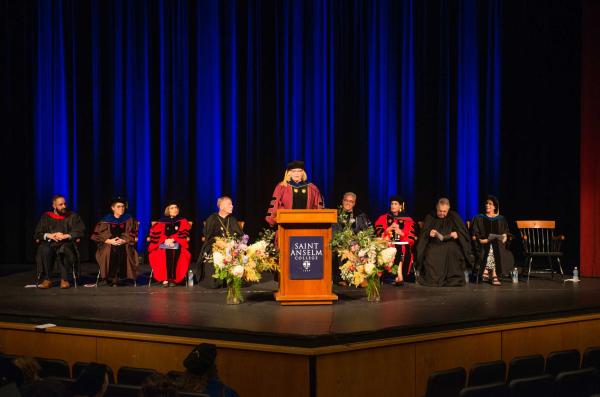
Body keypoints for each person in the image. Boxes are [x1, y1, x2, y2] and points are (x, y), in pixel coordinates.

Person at [416, 198, 474, 287]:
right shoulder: (430, 217)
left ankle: (454, 278)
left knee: (453, 251)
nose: (442, 213)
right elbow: (423, 235)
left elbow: (464, 233)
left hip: (451, 243)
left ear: (448, 210)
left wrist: (457, 234)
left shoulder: (454, 216)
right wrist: (429, 233)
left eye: (444, 211)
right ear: (436, 208)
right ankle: (433, 279)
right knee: (431, 253)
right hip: (434, 243)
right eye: (440, 211)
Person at [34, 195, 85, 289]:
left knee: (64, 249)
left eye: (64, 204)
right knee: (45, 249)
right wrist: (49, 235)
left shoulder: (73, 216)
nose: (64, 206)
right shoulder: (46, 217)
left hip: (66, 243)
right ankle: (48, 279)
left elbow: (80, 231)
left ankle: (64, 280)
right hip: (50, 242)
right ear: (54, 206)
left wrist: (66, 235)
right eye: (60, 204)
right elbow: (37, 233)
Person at [91, 197, 139, 287]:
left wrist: (124, 240)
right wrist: (109, 240)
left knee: (122, 249)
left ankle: (120, 276)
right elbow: (97, 235)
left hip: (125, 243)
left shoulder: (129, 219)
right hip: (108, 244)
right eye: (118, 206)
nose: (121, 208)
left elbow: (133, 233)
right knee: (111, 250)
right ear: (113, 208)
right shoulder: (106, 220)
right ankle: (112, 277)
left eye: (123, 206)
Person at [198, 196, 244, 288]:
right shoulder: (212, 218)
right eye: (229, 204)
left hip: (231, 246)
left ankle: (233, 278)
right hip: (215, 245)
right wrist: (218, 242)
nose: (232, 206)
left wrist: (233, 243)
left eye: (232, 204)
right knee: (212, 256)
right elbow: (208, 236)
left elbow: (240, 236)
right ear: (222, 206)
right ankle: (218, 280)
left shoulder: (232, 219)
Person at [471, 195, 515, 285]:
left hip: (498, 243)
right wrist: (480, 239)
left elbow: (506, 232)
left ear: (495, 207)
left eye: (490, 204)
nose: (487, 205)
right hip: (483, 243)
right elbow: (475, 232)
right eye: (486, 203)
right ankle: (492, 273)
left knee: (495, 246)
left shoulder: (501, 219)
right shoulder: (479, 218)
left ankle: (490, 272)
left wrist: (505, 236)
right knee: (489, 247)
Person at [265, 160, 324, 227]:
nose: (296, 173)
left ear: (303, 173)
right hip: (286, 226)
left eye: (299, 171)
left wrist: (318, 221)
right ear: (289, 173)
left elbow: (319, 207)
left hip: (308, 226)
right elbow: (275, 205)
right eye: (294, 171)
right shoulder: (282, 187)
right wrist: (272, 220)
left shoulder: (312, 188)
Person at [374, 196, 417, 285]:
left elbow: (412, 236)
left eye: (395, 204)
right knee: (394, 248)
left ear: (400, 206)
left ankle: (399, 275)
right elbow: (378, 231)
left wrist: (401, 233)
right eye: (392, 204)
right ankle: (399, 276)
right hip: (387, 243)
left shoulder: (408, 220)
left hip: (402, 243)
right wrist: (388, 229)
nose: (393, 206)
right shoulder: (384, 217)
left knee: (401, 248)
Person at [148, 201, 192, 287]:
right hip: (163, 244)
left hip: (178, 243)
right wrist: (165, 240)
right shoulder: (161, 221)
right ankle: (164, 279)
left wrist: (173, 239)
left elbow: (183, 233)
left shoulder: (182, 221)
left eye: (176, 207)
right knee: (160, 254)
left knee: (181, 253)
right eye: (172, 208)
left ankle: (174, 279)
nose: (175, 209)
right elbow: (155, 233)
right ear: (168, 210)